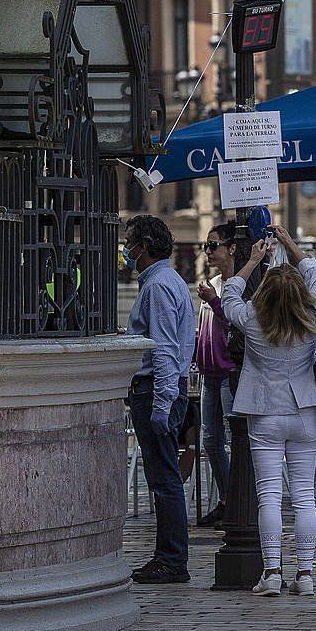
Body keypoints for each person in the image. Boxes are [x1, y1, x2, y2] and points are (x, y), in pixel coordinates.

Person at [223, 225, 316, 597]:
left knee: (268, 494)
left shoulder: (252, 318)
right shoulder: (314, 314)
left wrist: (252, 260)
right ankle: (306, 574)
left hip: (264, 409)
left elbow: (229, 292)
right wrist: (290, 245)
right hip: (304, 410)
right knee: (303, 495)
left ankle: (271, 572)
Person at [123, 215, 196, 584]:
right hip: (157, 388)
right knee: (163, 477)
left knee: (164, 478)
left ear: (144, 247)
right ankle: (170, 555)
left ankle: (171, 558)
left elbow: (165, 350)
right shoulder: (166, 282)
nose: (126, 250)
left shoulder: (159, 287)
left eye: (130, 244)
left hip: (156, 388)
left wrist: (162, 404)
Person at [193, 221, 238, 528]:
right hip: (209, 373)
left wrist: (214, 302)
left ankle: (238, 503)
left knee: (237, 439)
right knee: (210, 441)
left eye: (213, 245)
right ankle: (227, 499)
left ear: (231, 248)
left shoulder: (238, 287)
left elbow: (239, 323)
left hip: (230, 373)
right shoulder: (213, 284)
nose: (207, 252)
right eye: (205, 246)